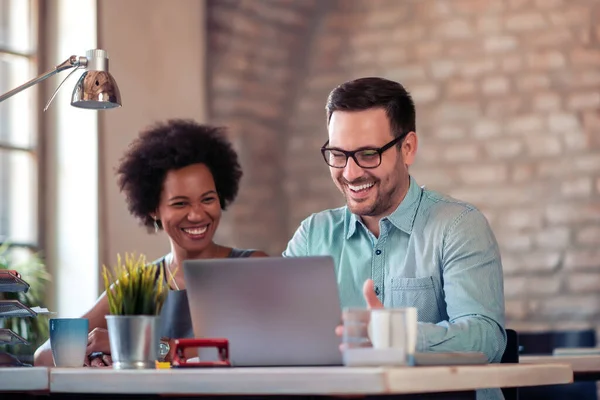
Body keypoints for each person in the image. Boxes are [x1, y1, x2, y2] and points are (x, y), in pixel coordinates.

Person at [283, 77, 505, 400]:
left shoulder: (458, 226)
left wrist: (397, 336)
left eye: (368, 154)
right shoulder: (311, 236)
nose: (350, 172)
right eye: (338, 154)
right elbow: (280, 332)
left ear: (408, 148)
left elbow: (487, 340)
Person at [34, 119, 268, 367]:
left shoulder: (252, 268)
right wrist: (95, 357)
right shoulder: (139, 286)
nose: (197, 215)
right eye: (180, 203)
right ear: (154, 210)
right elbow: (46, 355)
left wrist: (131, 346)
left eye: (207, 199)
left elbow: (251, 346)